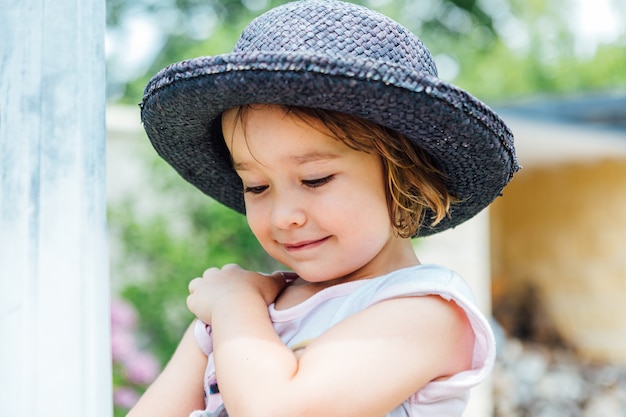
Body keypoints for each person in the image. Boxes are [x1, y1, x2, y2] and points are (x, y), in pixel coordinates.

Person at [131, 0, 519, 416]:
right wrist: (232, 308)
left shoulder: (427, 311)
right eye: (257, 186)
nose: (284, 216)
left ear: (404, 180)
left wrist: (233, 305)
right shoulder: (245, 310)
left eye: (315, 179)